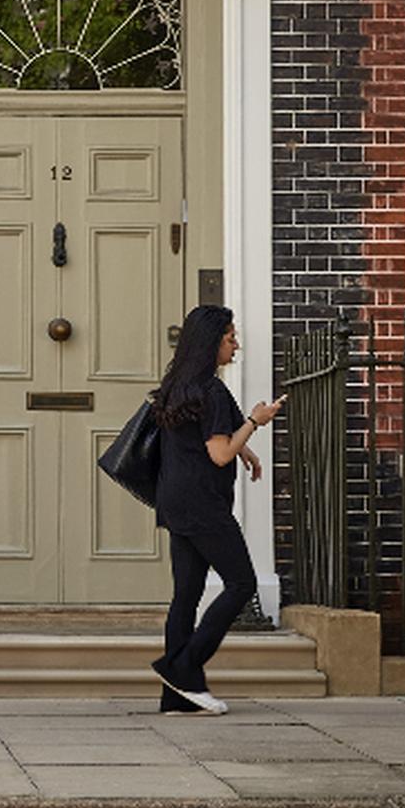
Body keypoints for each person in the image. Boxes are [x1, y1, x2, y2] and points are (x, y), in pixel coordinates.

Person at [150, 303, 282, 715]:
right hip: (203, 504)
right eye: (230, 337)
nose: (236, 344)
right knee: (241, 584)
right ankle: (184, 667)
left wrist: (247, 451)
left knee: (186, 596)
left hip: (175, 499)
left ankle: (176, 697)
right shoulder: (211, 390)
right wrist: (257, 421)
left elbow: (201, 443)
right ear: (212, 342)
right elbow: (220, 453)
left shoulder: (178, 385)